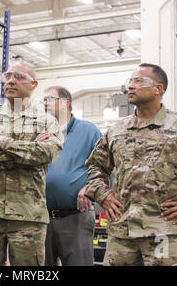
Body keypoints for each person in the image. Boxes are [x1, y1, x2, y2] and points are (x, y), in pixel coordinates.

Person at [77, 63, 177, 266]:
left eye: (138, 81)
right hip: (122, 236)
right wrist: (103, 195)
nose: (130, 86)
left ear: (158, 89)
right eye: (129, 81)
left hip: (164, 234)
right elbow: (96, 166)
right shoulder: (116, 130)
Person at [0, 61, 64, 266]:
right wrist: (27, 150)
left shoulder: (47, 121)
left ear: (33, 84)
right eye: (7, 76)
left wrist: (1, 143)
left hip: (28, 217)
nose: (10, 81)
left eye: (18, 77)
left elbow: (46, 153)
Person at [42, 86, 102, 266]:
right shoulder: (40, 134)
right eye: (42, 100)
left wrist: (89, 187)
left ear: (65, 104)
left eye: (49, 99)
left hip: (75, 216)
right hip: (41, 218)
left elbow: (105, 166)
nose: (44, 103)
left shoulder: (88, 131)